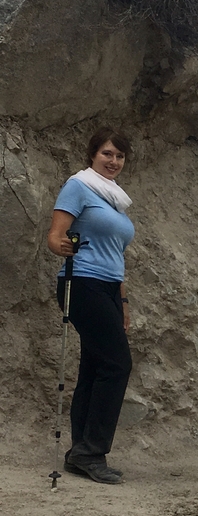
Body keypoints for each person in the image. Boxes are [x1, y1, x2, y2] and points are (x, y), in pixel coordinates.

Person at [47, 128, 135, 485]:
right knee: (117, 364)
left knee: (96, 366)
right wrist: (61, 246)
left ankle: (80, 451)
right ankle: (91, 451)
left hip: (109, 288)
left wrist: (124, 300)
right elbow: (55, 234)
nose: (113, 161)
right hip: (81, 283)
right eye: (107, 154)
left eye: (119, 156)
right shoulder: (78, 186)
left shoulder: (115, 199)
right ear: (93, 154)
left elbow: (117, 255)